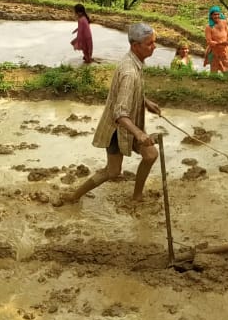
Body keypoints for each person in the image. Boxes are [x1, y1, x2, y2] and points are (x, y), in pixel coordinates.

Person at [59, 23, 161, 204]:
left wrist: (146, 102)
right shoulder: (129, 71)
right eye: (150, 43)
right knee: (112, 171)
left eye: (154, 42)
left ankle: (137, 196)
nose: (154, 46)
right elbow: (120, 114)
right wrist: (139, 134)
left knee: (151, 154)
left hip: (130, 125)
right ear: (136, 46)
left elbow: (127, 92)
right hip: (118, 129)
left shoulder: (134, 61)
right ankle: (74, 196)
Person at [204, 6, 228, 76]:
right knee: (214, 71)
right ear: (211, 16)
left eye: (218, 14)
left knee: (226, 70)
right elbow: (209, 41)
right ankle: (213, 85)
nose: (216, 16)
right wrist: (221, 43)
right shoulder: (209, 27)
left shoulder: (224, 23)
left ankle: (226, 84)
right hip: (214, 52)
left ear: (220, 14)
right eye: (214, 14)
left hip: (224, 51)